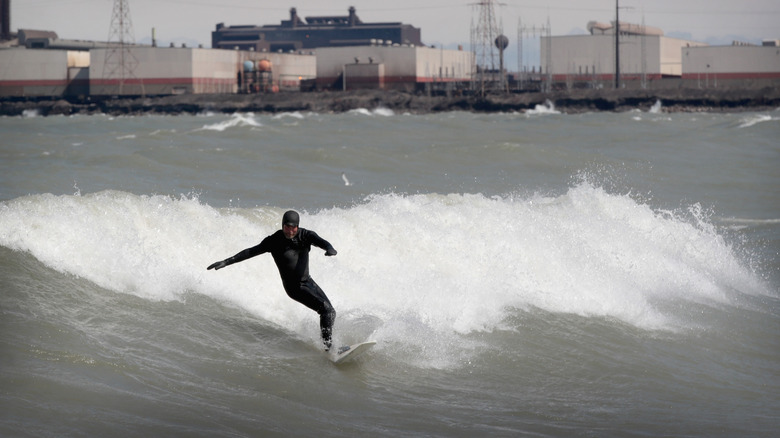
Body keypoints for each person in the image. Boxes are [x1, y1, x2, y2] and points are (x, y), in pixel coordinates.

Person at [207, 210, 338, 350]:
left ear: (298, 227)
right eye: (287, 227)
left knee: (330, 312)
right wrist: (227, 261)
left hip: (308, 282)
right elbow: (251, 252)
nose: (290, 230)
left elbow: (321, 242)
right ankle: (328, 348)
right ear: (282, 225)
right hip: (294, 287)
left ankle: (327, 345)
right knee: (326, 310)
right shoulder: (274, 241)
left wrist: (329, 248)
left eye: (293, 227)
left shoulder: (306, 235)